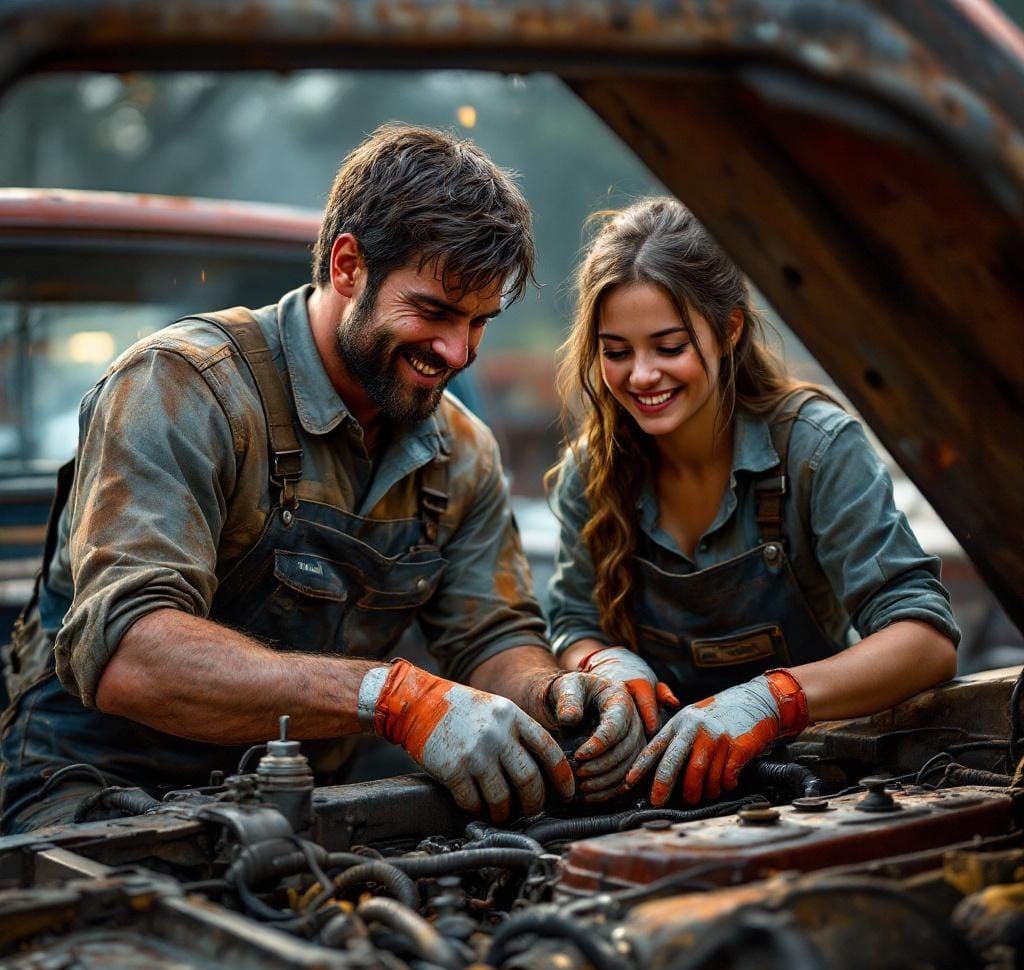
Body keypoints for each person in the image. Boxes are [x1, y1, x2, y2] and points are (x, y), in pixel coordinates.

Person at [0, 125, 648, 834]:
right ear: (347, 266)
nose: (457, 351)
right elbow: (131, 655)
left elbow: (491, 638)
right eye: (432, 311)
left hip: (303, 809)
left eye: (478, 322)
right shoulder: (184, 388)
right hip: (92, 796)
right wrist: (391, 698)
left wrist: (558, 697)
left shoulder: (462, 454)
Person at [546, 198, 960, 807]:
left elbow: (925, 641)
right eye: (616, 351)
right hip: (658, 794)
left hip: (818, 787)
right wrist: (603, 663)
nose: (641, 376)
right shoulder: (592, 470)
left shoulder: (815, 449)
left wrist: (773, 700)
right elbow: (573, 623)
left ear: (730, 329)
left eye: (669, 346)